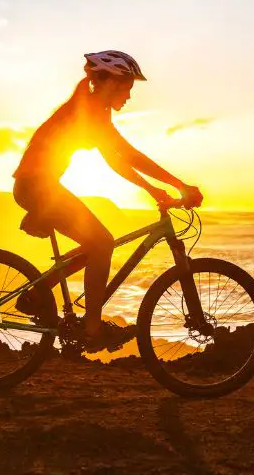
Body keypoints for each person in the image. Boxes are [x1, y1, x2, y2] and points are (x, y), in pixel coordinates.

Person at [12, 50, 202, 352]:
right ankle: (92, 328)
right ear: (109, 81)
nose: (128, 95)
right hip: (38, 187)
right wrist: (179, 185)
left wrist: (153, 190)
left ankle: (37, 294)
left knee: (96, 244)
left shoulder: (94, 110)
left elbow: (116, 160)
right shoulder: (87, 109)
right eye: (126, 87)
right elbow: (126, 154)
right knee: (102, 243)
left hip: (40, 186)